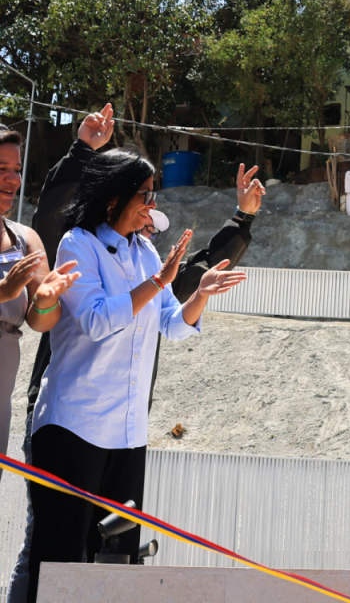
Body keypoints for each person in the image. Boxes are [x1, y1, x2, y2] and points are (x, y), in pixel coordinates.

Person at [8, 104, 264, 603]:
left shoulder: (144, 252)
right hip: (73, 427)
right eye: (145, 195)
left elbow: (172, 324)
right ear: (113, 197)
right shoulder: (78, 244)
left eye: (153, 196)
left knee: (118, 563)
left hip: (126, 433)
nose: (151, 207)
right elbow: (98, 320)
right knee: (59, 559)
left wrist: (198, 295)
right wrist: (158, 282)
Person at [0, 125, 79, 459]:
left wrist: (46, 301)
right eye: (1, 169)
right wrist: (4, 290)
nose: (13, 179)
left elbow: (40, 322)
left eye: (17, 170)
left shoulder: (25, 239)